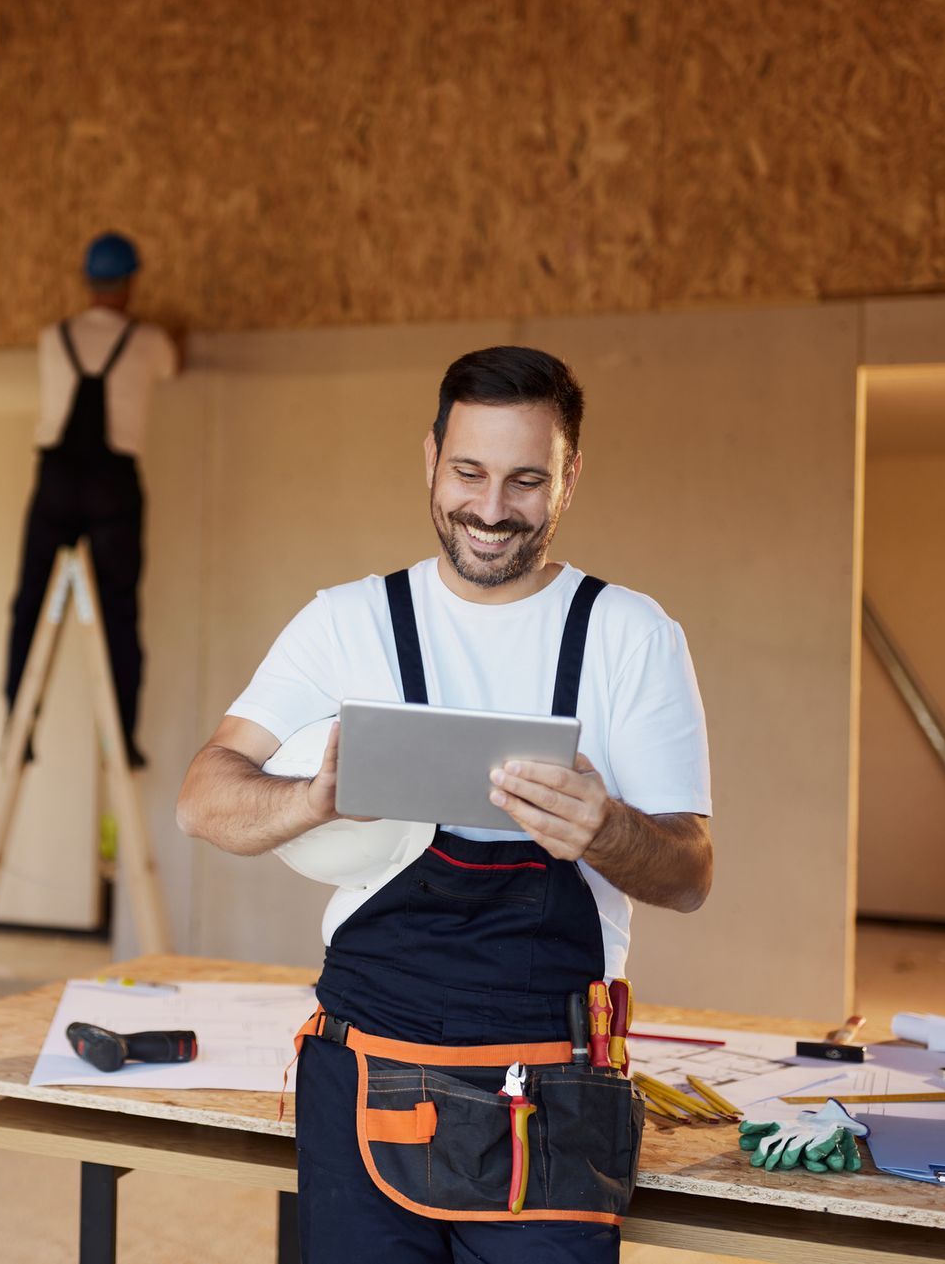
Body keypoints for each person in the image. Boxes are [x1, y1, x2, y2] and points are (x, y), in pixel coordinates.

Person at [175, 347, 715, 1263]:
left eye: (526, 479)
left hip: (551, 1094)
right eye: (468, 472)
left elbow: (693, 871)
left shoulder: (628, 635)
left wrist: (610, 830)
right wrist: (312, 799)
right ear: (430, 458)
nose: (493, 508)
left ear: (570, 478)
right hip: (363, 1071)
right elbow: (202, 798)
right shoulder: (348, 622)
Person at [4, 231, 180, 767]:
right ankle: (121, 740)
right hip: (112, 486)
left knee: (30, 604)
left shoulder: (50, 337)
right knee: (119, 612)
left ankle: (17, 727)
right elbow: (174, 365)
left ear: (86, 281)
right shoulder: (148, 340)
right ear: (129, 284)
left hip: (55, 481)